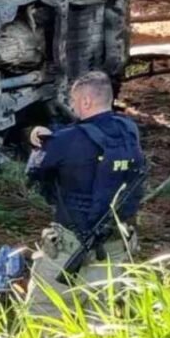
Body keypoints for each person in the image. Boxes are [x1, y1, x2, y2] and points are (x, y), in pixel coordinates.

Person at [25, 70, 145, 317]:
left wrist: (39, 139)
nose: (73, 106)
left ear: (86, 101)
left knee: (44, 324)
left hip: (68, 251)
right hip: (116, 251)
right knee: (105, 330)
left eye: (74, 100)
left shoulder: (66, 139)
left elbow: (34, 171)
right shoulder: (129, 131)